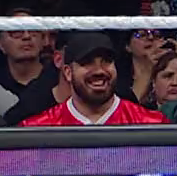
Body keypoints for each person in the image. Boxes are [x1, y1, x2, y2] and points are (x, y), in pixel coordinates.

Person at [21, 34, 167, 126]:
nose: (99, 70)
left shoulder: (152, 124)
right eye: (87, 62)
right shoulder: (39, 128)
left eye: (106, 61)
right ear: (68, 72)